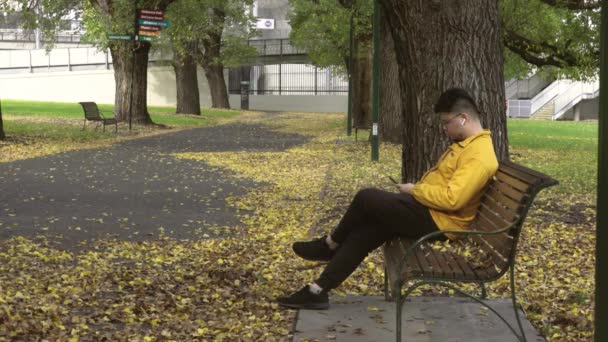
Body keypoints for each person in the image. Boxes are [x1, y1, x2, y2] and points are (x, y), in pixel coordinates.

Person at [277, 87, 499, 310]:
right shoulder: (467, 147)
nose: (443, 129)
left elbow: (453, 200)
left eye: (446, 122)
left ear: (463, 118)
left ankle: (330, 244)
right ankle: (318, 291)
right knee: (368, 230)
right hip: (431, 212)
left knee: (367, 197)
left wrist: (414, 190)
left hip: (441, 222)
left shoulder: (479, 154)